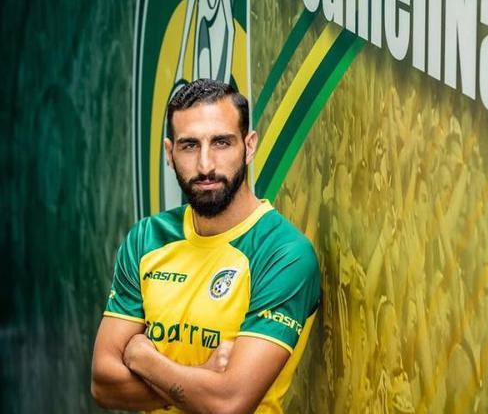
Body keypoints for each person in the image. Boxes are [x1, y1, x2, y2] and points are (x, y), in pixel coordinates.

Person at [90, 79, 320, 413]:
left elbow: (228, 403)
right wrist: (203, 377)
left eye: (222, 143)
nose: (205, 165)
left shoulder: (282, 252)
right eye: (189, 146)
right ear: (170, 153)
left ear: (249, 145)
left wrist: (143, 357)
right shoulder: (147, 239)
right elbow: (103, 383)